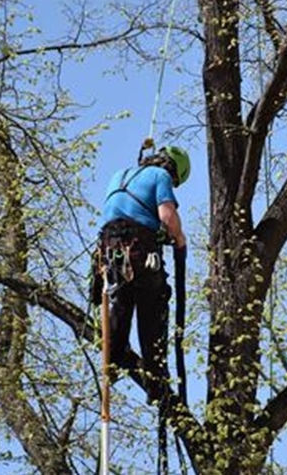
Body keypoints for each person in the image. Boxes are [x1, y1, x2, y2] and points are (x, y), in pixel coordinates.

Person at [93, 145, 190, 405]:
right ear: (173, 170)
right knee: (153, 308)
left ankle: (112, 357)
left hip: (111, 249)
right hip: (140, 247)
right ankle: (156, 380)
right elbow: (167, 217)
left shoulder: (119, 175)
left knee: (122, 301)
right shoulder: (160, 177)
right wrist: (179, 240)